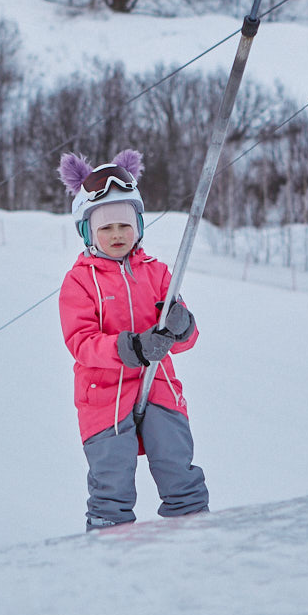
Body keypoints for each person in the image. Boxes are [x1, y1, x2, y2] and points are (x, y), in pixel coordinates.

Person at [57, 148, 210, 532]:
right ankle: (110, 551)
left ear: (139, 225)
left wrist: (181, 326)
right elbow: (81, 342)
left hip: (158, 386)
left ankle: (193, 537)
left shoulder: (158, 273)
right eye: (105, 228)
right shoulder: (79, 281)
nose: (117, 235)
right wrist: (130, 347)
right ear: (88, 232)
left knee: (178, 468)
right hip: (103, 396)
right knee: (112, 482)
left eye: (125, 226)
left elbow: (186, 340)